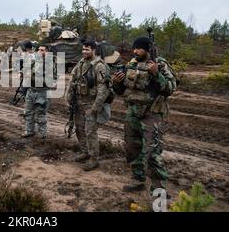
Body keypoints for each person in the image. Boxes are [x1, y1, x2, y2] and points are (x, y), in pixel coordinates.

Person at [112, 36, 177, 194]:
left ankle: (158, 188)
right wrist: (116, 82)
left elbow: (170, 88)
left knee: (152, 153)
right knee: (132, 148)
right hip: (133, 112)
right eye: (134, 48)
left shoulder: (160, 64)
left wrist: (157, 74)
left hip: (151, 114)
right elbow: (121, 91)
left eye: (139, 48)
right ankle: (138, 178)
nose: (135, 51)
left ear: (147, 50)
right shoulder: (131, 64)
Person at [66, 41, 112, 171]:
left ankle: (93, 159)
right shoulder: (81, 63)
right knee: (79, 129)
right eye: (83, 50)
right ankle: (85, 152)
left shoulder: (100, 66)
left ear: (94, 50)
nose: (84, 52)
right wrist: (68, 96)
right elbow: (72, 79)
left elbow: (103, 90)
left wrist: (95, 108)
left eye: (87, 49)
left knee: (90, 132)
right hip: (79, 102)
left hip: (91, 104)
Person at [21, 44, 57, 139]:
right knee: (28, 112)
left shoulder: (50, 65)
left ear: (47, 52)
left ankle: (42, 135)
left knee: (40, 114)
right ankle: (29, 131)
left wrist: (32, 76)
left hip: (42, 92)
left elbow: (50, 82)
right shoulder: (34, 62)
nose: (39, 52)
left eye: (42, 50)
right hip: (31, 90)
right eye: (39, 50)